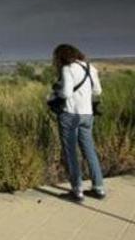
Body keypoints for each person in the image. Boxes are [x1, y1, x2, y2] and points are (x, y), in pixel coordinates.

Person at [51, 44, 104, 202]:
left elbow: (66, 93)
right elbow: (98, 91)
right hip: (88, 114)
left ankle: (77, 191)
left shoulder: (67, 69)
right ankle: (99, 188)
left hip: (71, 114)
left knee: (71, 152)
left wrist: (56, 92)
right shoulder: (90, 67)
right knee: (89, 151)